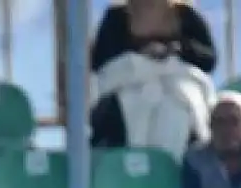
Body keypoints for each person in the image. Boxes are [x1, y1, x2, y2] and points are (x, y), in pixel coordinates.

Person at [89, 0, 217, 156]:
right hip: (130, 81)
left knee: (178, 109)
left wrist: (178, 49)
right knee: (131, 103)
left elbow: (209, 58)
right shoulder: (116, 16)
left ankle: (172, 163)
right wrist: (141, 53)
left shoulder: (185, 14)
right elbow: (100, 59)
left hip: (176, 82)